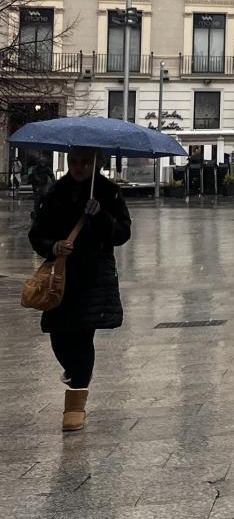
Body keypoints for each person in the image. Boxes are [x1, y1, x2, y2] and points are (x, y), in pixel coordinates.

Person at [27, 148, 131, 433]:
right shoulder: (56, 192)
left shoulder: (108, 192)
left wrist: (100, 217)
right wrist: (54, 246)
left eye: (85, 162)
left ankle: (75, 406)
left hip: (94, 277)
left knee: (83, 335)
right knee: (59, 337)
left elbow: (122, 234)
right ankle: (74, 372)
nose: (79, 167)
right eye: (74, 161)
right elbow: (37, 234)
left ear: (96, 163)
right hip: (61, 278)